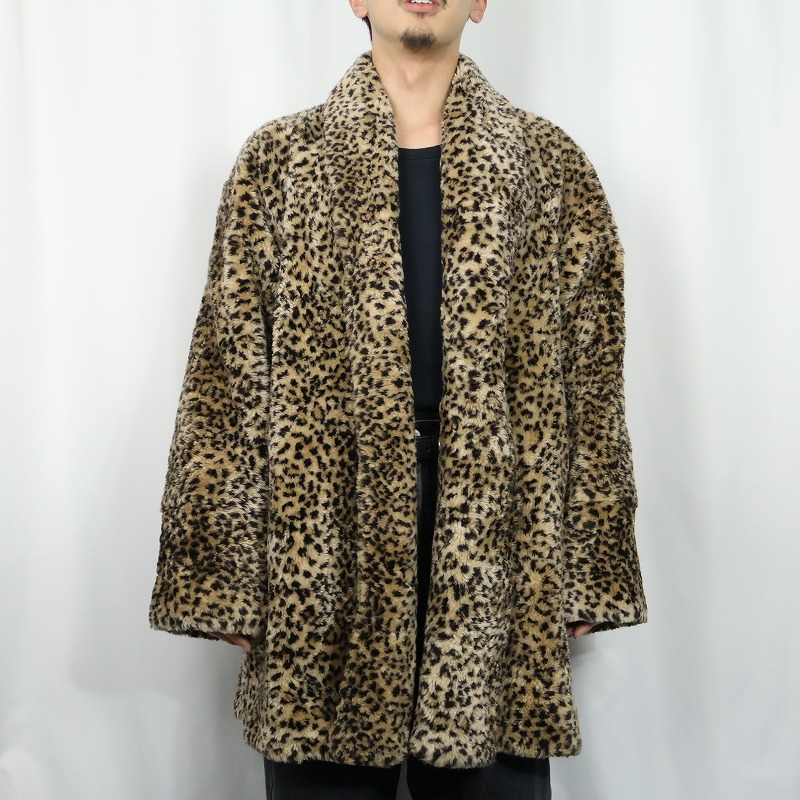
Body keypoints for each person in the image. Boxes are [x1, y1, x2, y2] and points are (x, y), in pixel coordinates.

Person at [149, 1, 648, 797]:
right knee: (325, 780)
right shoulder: (279, 163)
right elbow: (225, 375)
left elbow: (593, 382)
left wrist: (593, 561)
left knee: (495, 782)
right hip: (320, 538)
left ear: (481, 2)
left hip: (500, 535)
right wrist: (225, 573)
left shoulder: (549, 165)